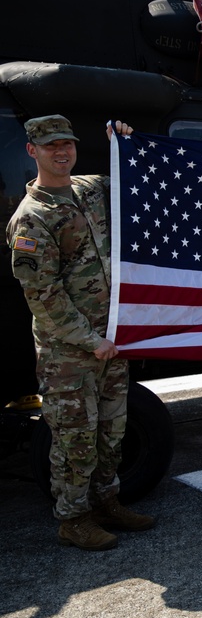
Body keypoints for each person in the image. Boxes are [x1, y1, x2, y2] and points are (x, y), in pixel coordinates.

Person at [7, 115, 155, 551]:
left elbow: (136, 180)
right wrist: (93, 341)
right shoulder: (30, 220)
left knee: (111, 431)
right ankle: (73, 519)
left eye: (67, 144)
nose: (62, 152)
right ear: (32, 150)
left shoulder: (89, 190)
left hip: (110, 343)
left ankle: (108, 502)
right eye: (51, 146)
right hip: (69, 353)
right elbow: (44, 298)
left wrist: (125, 143)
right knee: (75, 439)